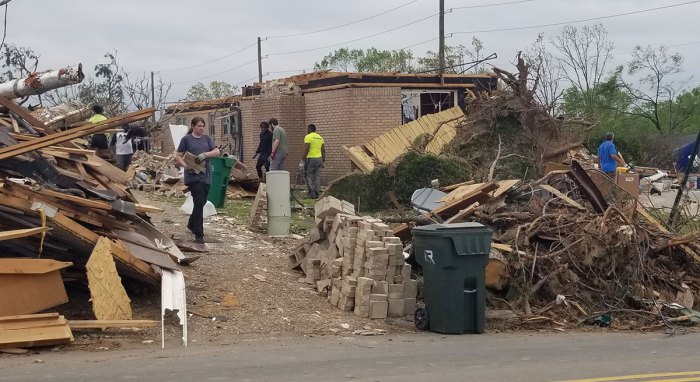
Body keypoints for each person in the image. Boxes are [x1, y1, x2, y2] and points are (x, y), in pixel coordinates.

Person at [175, 117, 220, 250]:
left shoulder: (207, 139)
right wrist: (185, 165)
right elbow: (178, 155)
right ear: (193, 126)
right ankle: (199, 236)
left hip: (206, 176)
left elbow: (217, 151)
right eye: (199, 126)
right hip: (193, 177)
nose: (202, 128)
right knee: (199, 202)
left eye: (203, 126)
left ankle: (191, 223)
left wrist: (206, 155)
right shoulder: (186, 139)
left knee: (203, 201)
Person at [303, 123, 325, 198]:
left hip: (311, 159)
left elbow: (306, 148)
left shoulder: (308, 137)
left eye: (307, 129)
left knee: (308, 175)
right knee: (317, 176)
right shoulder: (320, 138)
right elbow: (323, 150)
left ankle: (311, 193)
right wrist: (323, 160)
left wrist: (303, 159)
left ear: (309, 129)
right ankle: (316, 192)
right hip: (319, 159)